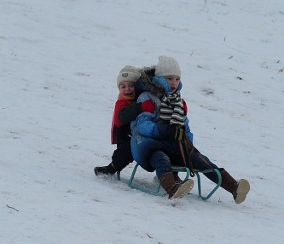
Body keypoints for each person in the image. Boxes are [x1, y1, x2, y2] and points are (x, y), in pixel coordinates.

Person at [131, 56, 250, 203]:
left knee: (201, 160)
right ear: (159, 78)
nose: (174, 82)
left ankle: (234, 187)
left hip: (174, 144)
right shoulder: (147, 97)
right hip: (149, 145)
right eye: (169, 78)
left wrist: (187, 142)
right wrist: (164, 130)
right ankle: (172, 188)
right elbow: (142, 125)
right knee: (161, 158)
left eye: (177, 79)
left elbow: (184, 124)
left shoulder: (177, 100)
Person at [94, 65, 146, 176]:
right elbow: (118, 121)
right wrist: (138, 108)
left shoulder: (141, 98)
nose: (127, 89)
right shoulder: (121, 102)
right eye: (123, 86)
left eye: (131, 85)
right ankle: (111, 168)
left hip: (139, 133)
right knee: (125, 152)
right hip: (125, 134)